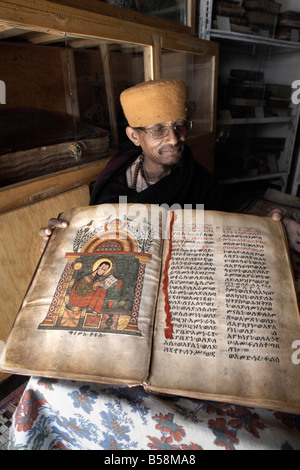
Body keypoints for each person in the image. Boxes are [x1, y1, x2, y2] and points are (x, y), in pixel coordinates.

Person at [39, 79, 300, 253]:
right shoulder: (113, 179)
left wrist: (274, 230)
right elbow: (92, 239)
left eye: (179, 126)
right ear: (134, 136)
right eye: (158, 130)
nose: (174, 139)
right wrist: (60, 240)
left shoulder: (196, 178)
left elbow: (227, 222)